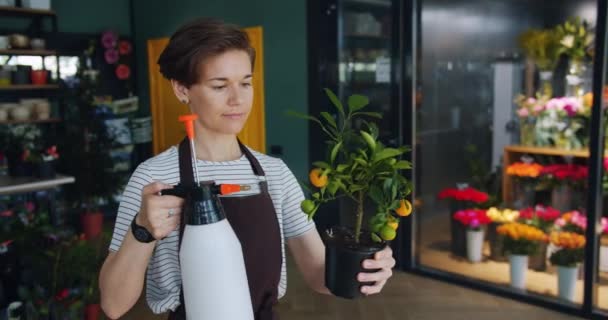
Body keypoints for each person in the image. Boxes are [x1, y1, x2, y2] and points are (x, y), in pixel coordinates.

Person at [99, 17, 395, 320]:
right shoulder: (153, 179)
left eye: (245, 83)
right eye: (219, 85)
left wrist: (365, 271)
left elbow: (319, 275)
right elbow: (113, 304)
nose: (237, 99)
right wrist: (142, 231)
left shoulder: (274, 174)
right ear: (182, 89)